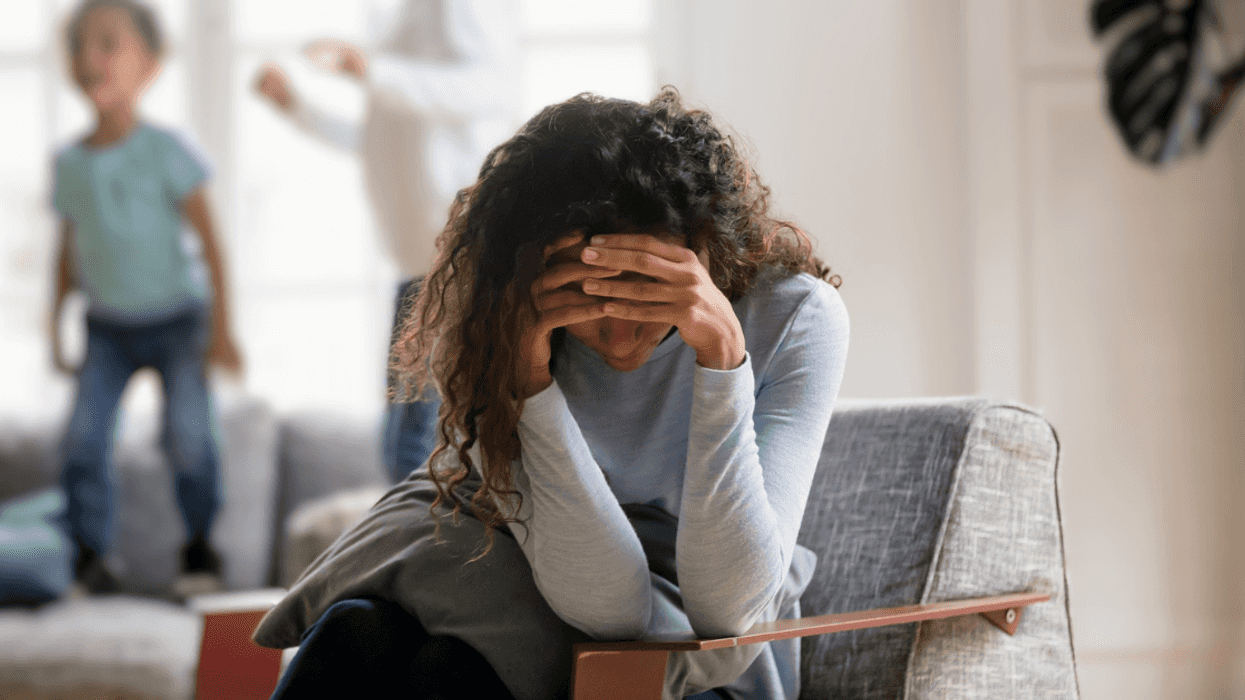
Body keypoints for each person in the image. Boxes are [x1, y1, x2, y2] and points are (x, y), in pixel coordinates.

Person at [253, 89, 849, 700]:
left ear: (700, 250)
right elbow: (609, 602)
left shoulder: (795, 317)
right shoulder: (506, 318)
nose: (618, 334)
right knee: (358, 635)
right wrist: (527, 384)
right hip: (535, 572)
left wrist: (723, 361)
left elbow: (728, 610)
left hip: (701, 661)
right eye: (586, 299)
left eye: (645, 291)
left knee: (450, 670)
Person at [253, 0, 517, 484]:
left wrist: (372, 69)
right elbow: (377, 142)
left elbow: (489, 86)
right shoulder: (402, 28)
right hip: (420, 269)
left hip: (462, 267)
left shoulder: (457, 13)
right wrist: (298, 108)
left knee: (417, 452)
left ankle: (426, 553)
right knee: (401, 449)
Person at [50, 0, 242, 598]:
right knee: (82, 439)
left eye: (110, 43)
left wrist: (223, 329)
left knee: (188, 436)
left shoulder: (167, 150)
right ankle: (89, 560)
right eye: (82, 44)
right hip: (106, 327)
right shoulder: (70, 164)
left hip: (180, 321)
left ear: (150, 65)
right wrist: (53, 327)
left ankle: (200, 549)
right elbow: (67, 251)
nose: (91, 57)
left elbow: (210, 242)